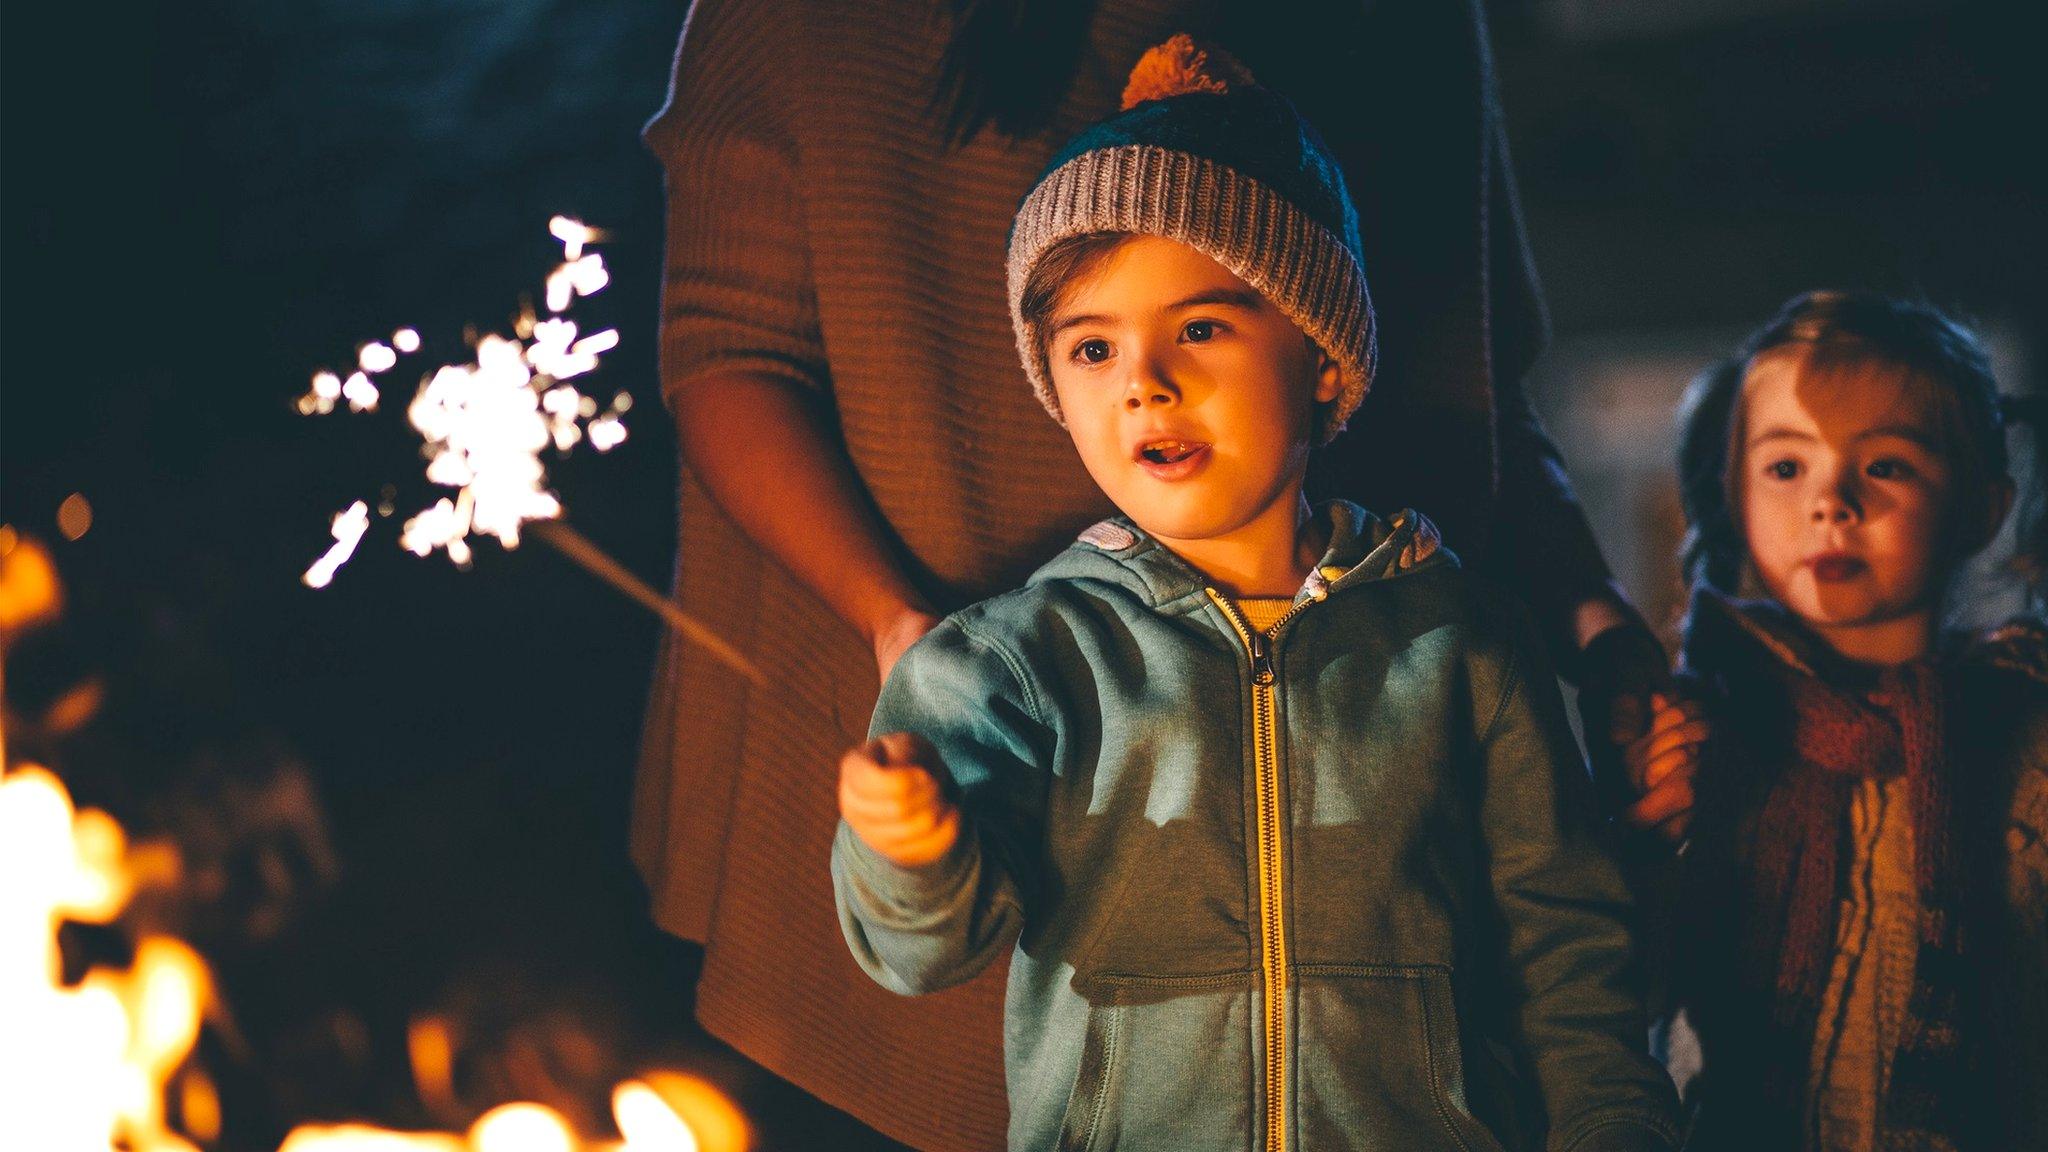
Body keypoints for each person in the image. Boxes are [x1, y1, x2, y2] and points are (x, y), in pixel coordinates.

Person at [638, 2, 1665, 1145]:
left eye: (1203, 330)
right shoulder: (1012, 665)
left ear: (1326, 355)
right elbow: (921, 943)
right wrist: (907, 845)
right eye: (1090, 348)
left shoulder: (1456, 643)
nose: (1144, 385)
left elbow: (1566, 959)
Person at [1620, 291, 2048, 1149]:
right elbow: (1606, 1006)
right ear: (1735, 498)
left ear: (1983, 507)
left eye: (1886, 464)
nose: (1832, 502)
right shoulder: (1697, 739)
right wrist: (1636, 845)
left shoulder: (2024, 740)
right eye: (1787, 468)